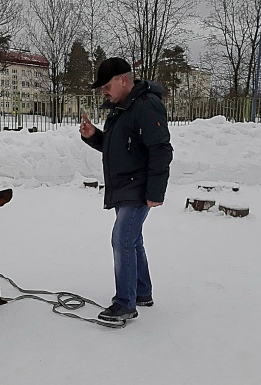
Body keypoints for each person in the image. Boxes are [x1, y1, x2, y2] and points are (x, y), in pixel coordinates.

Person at [79, 57, 173, 322]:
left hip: (138, 187)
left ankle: (125, 304)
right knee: (133, 240)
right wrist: (93, 136)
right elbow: (117, 147)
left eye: (106, 86)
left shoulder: (146, 105)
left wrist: (155, 192)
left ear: (123, 80)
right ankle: (142, 292)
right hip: (123, 187)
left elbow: (161, 150)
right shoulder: (121, 108)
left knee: (122, 239)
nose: (104, 92)